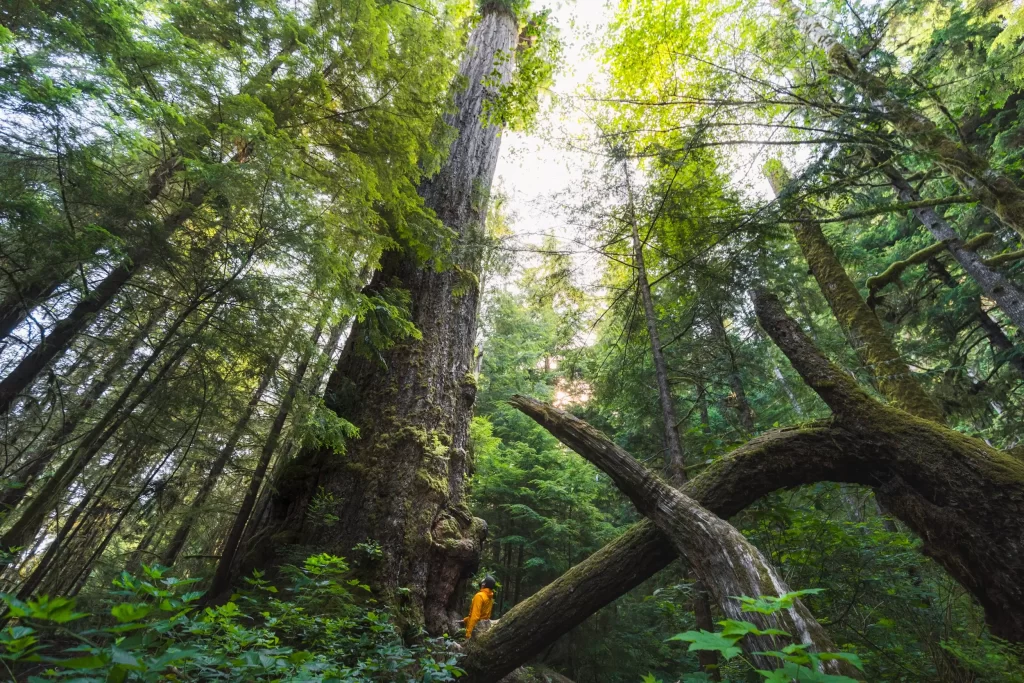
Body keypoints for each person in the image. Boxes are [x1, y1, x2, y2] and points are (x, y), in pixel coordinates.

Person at [463, 575, 496, 639]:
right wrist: (465, 620)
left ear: (484, 584)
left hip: (474, 632)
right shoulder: (489, 598)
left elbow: (475, 617)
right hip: (482, 630)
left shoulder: (479, 596)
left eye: (483, 580)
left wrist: (468, 635)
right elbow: (483, 616)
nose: (481, 581)